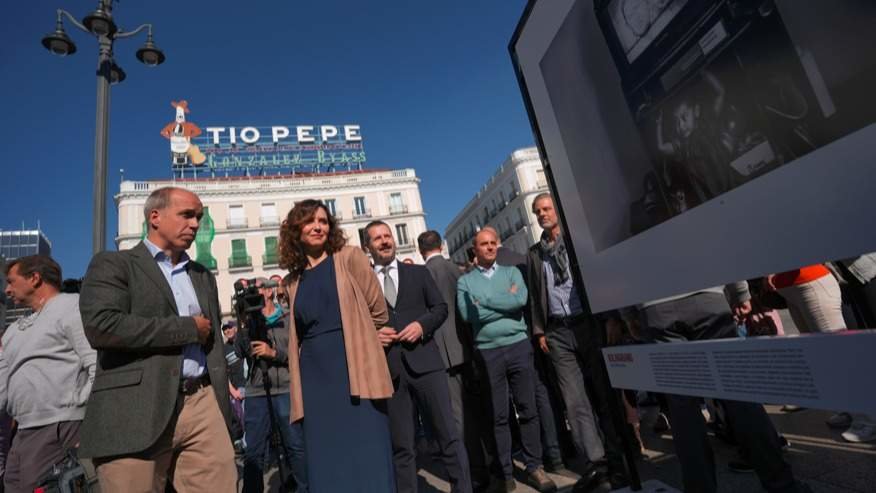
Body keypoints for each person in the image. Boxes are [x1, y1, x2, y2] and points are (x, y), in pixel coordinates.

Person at [79, 186, 236, 491]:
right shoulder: (114, 264)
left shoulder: (202, 274)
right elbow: (102, 325)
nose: (195, 224)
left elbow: (213, 341)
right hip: (135, 410)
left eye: (199, 217)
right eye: (186, 215)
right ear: (155, 216)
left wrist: (219, 403)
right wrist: (186, 329)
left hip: (202, 402)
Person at [625, 282, 807, 493]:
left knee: (684, 410)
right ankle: (783, 485)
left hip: (654, 305)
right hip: (707, 294)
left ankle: (700, 488)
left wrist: (628, 313)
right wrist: (740, 292)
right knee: (739, 397)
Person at [280, 199, 395, 491]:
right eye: (309, 221)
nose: (318, 226)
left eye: (323, 221)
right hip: (315, 380)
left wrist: (366, 337)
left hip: (355, 368)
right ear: (296, 230)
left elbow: (378, 311)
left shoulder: (350, 257)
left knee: (368, 451)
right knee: (325, 458)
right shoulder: (292, 281)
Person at [526, 193, 628, 489]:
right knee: (574, 401)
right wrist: (539, 330)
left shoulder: (576, 240)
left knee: (605, 393)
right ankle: (596, 464)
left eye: (546, 209)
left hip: (589, 323)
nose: (542, 214)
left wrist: (611, 316)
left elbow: (601, 276)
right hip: (557, 331)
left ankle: (620, 459)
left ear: (557, 210)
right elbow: (536, 294)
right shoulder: (535, 253)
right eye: (537, 211)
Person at [365, 221, 471, 493]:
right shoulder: (362, 283)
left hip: (427, 366)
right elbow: (356, 325)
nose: (385, 241)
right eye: (378, 238)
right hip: (390, 372)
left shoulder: (418, 273)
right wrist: (373, 336)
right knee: (402, 447)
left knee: (448, 437)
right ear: (368, 246)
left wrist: (422, 326)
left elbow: (440, 308)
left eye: (388, 235)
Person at [458, 228, 556, 493]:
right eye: (484, 244)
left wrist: (485, 302)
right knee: (498, 415)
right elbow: (468, 314)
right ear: (475, 250)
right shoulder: (465, 282)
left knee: (528, 409)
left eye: (493, 243)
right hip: (488, 352)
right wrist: (505, 302)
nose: (490, 247)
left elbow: (520, 300)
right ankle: (505, 473)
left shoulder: (512, 273)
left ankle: (535, 466)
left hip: (519, 346)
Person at [0, 255, 96, 492]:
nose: (7, 289)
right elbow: (3, 382)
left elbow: (96, 364)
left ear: (34, 278)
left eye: (11, 281)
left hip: (61, 426)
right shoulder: (13, 331)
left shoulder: (72, 306)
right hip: (22, 431)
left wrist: (88, 421)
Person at [419, 231, 488, 486]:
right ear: (441, 245)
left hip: (441, 353)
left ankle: (472, 474)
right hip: (468, 347)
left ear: (420, 249)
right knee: (475, 412)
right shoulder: (457, 269)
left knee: (456, 418)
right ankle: (484, 467)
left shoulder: (422, 274)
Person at [239, 278, 308, 492]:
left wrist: (274, 354)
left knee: (295, 446)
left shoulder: (288, 317)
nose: (253, 292)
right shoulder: (248, 320)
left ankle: (304, 488)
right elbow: (241, 351)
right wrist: (244, 321)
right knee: (253, 452)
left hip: (286, 389)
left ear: (269, 292)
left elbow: (299, 354)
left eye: (257, 287)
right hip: (256, 392)